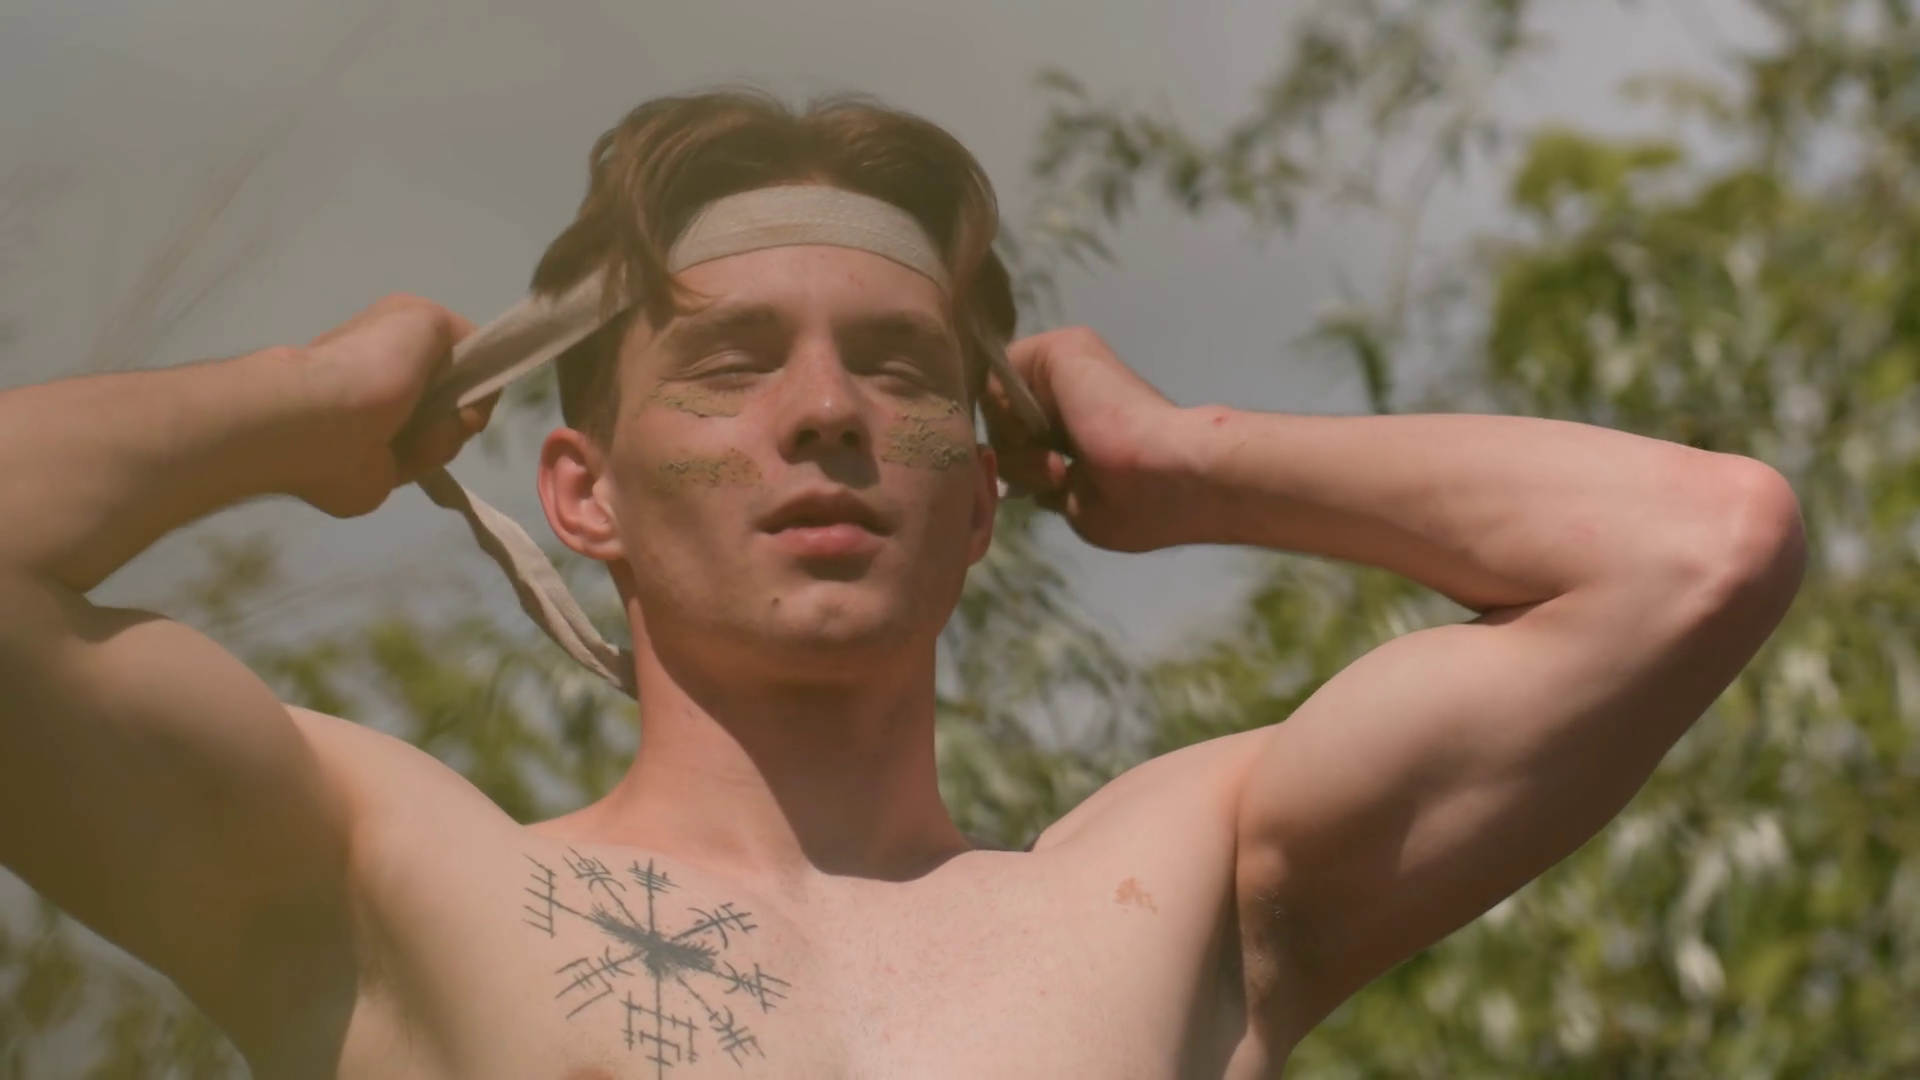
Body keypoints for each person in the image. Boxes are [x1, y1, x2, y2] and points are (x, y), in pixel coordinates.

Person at [0, 90, 1805, 1079]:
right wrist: (302, 398)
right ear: (582, 493)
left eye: (896, 368)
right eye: (728, 366)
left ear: (981, 498)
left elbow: (1699, 547)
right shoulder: (391, 876)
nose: (825, 416)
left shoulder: (1168, 894)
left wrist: (1192, 455)